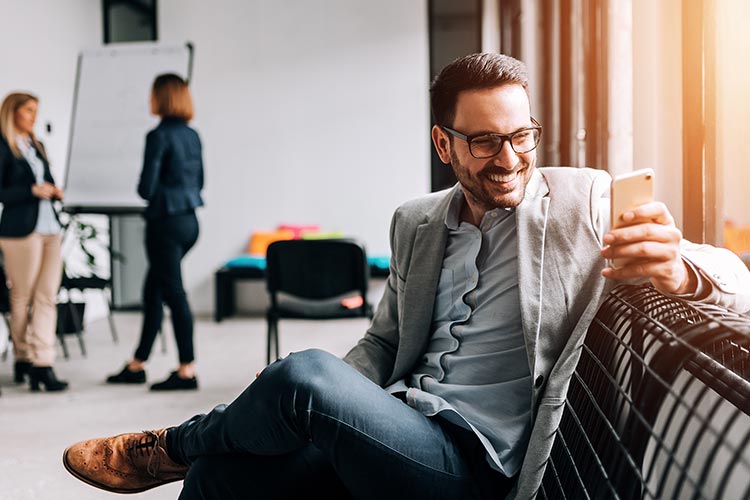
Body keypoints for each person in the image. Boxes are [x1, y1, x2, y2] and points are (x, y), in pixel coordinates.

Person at [63, 53, 750, 499]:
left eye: (522, 136)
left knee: (299, 376)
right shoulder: (417, 222)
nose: (508, 158)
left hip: (473, 467)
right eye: (484, 141)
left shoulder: (584, 200)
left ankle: (169, 447)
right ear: (443, 143)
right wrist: (322, 399)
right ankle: (201, 452)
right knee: (227, 471)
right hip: (396, 426)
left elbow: (733, 278)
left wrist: (682, 270)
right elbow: (386, 346)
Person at [105, 73, 204, 391]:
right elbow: (199, 182)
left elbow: (146, 188)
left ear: (162, 98)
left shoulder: (158, 136)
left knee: (173, 293)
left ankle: (187, 370)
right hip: (189, 222)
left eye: (152, 94)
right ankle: (138, 364)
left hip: (164, 224)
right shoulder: (192, 135)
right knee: (154, 292)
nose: (149, 100)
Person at [0, 92, 68, 392]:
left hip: (50, 228)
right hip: (20, 232)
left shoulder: (35, 145)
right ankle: (23, 356)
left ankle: (44, 363)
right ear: (12, 112)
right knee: (22, 298)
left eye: (35, 111)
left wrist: (54, 190)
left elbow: (47, 179)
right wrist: (32, 190)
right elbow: (3, 193)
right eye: (28, 111)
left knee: (47, 296)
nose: (33, 117)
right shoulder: (4, 146)